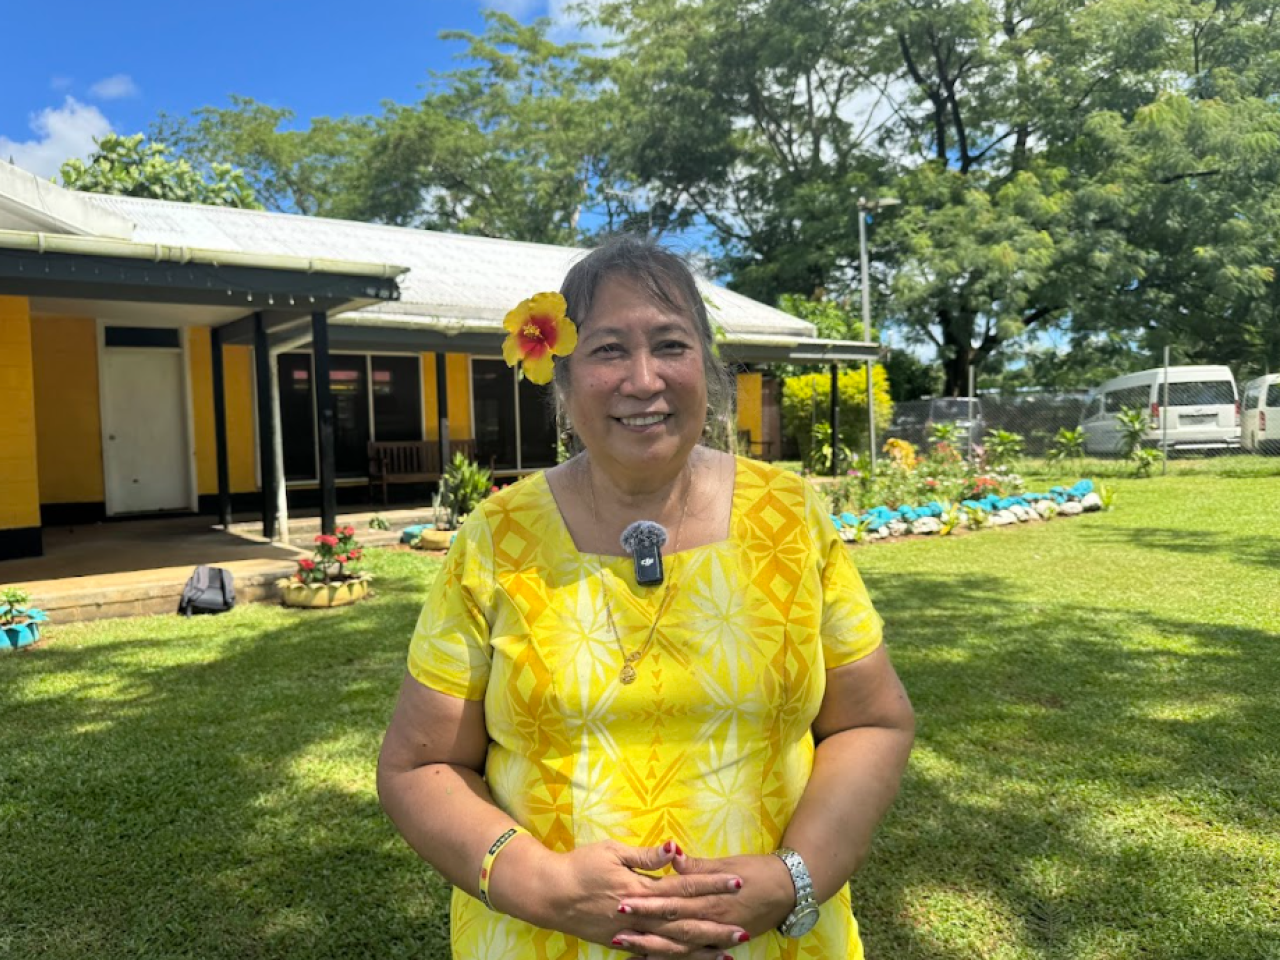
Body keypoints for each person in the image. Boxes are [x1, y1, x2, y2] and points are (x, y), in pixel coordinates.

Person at [377, 236, 915, 960]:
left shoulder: (789, 518)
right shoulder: (497, 540)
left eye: (669, 344)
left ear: (707, 367)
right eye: (606, 351)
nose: (643, 379)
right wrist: (542, 885)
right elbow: (418, 765)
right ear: (562, 384)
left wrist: (795, 878)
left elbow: (872, 723)